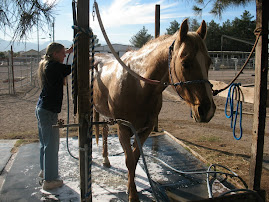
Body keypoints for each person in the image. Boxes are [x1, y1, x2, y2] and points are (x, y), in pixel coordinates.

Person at [35, 42, 73, 190]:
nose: (65, 55)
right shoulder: (54, 67)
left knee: (45, 143)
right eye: (63, 53)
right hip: (48, 111)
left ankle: (45, 171)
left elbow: (65, 68)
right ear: (55, 54)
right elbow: (72, 68)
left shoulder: (48, 64)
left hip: (43, 108)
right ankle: (49, 181)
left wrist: (70, 51)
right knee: (51, 145)